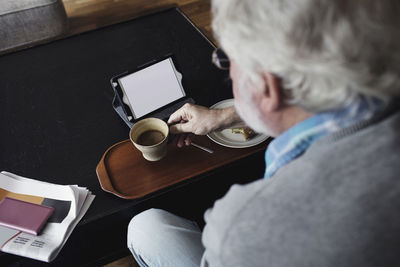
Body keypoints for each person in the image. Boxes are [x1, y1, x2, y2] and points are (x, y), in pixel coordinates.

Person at [127, 0, 400, 266]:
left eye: (226, 59)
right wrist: (224, 117)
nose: (227, 68)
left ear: (267, 86)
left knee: (145, 228)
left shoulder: (243, 226)